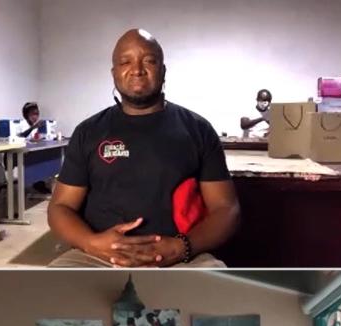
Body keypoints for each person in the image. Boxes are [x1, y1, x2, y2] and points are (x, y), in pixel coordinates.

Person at [47, 29, 239, 268]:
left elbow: (226, 209)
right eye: (125, 62)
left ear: (163, 71)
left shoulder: (198, 129)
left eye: (149, 61)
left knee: (219, 293)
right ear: (114, 73)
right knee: (50, 293)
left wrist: (182, 247)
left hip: (181, 257)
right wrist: (91, 243)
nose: (137, 69)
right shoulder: (88, 131)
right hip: (97, 256)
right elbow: (60, 207)